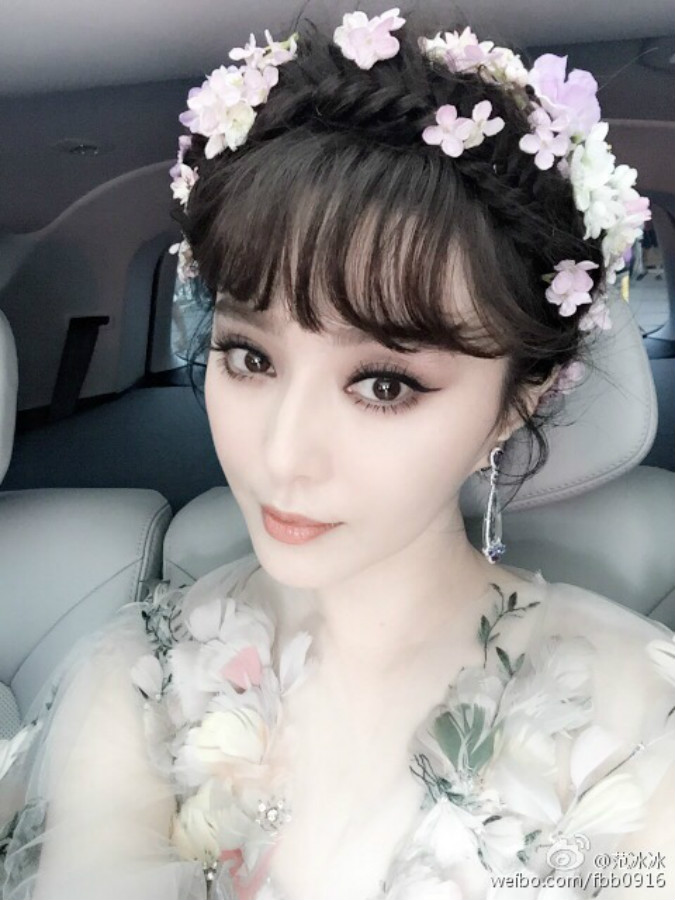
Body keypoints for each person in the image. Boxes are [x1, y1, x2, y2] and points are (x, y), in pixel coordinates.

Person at [2, 7, 674, 900]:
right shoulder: (139, 675)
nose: (282, 455)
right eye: (249, 358)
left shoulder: (642, 728)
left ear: (517, 402)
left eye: (384, 385)